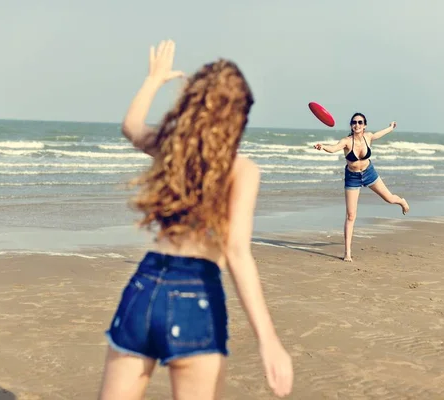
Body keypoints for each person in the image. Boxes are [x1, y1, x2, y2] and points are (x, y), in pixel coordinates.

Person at [98, 40, 293, 400]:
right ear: (239, 117)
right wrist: (269, 342)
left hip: (145, 284)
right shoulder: (242, 171)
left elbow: (131, 126)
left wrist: (154, 79)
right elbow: (237, 253)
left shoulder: (171, 149)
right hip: (197, 292)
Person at [314, 112, 409, 262]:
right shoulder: (346, 141)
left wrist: (390, 127)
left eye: (360, 122)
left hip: (369, 173)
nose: (356, 125)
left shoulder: (368, 137)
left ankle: (401, 201)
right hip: (352, 177)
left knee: (390, 199)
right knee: (351, 215)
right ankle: (347, 253)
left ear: (364, 125)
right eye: (354, 122)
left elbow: (379, 134)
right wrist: (322, 146)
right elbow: (334, 148)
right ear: (351, 125)